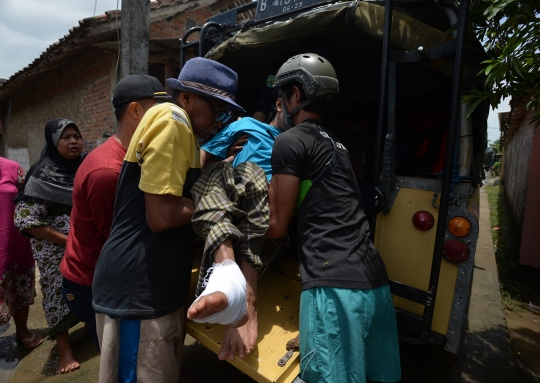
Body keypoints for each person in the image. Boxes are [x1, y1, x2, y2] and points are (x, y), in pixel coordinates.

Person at [92, 57, 245, 383]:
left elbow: (176, 188)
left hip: (154, 287)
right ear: (186, 97)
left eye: (223, 111)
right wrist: (216, 204)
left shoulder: (184, 131)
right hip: (138, 291)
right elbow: (161, 216)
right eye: (214, 107)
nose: (218, 118)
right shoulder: (173, 120)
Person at [264, 53, 402, 383]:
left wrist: (228, 223)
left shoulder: (289, 141)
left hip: (334, 285)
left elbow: (277, 226)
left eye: (281, 97)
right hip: (373, 280)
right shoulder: (339, 146)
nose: (279, 106)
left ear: (295, 94)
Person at [60, 74, 167, 351]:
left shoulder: (128, 156)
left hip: (95, 271)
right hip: (89, 281)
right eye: (159, 110)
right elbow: (118, 239)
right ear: (135, 111)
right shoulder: (109, 171)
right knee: (117, 357)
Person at [187, 97, 287, 361]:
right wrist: (228, 158)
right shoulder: (245, 126)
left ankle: (236, 289)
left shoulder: (298, 141)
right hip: (227, 198)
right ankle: (242, 293)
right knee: (229, 171)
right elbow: (201, 161)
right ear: (279, 103)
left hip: (259, 218)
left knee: (253, 174)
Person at [14, 118, 84, 374]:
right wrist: (68, 241)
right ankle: (64, 350)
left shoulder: (86, 166)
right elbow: (26, 219)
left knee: (91, 287)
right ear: (53, 142)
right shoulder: (40, 173)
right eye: (65, 137)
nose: (73, 141)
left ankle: (90, 328)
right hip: (54, 250)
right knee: (57, 293)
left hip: (86, 245)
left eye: (76, 135)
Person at [0, 157, 42, 349]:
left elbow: (27, 202)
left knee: (18, 285)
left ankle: (22, 331)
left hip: (12, 243)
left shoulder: (12, 168)